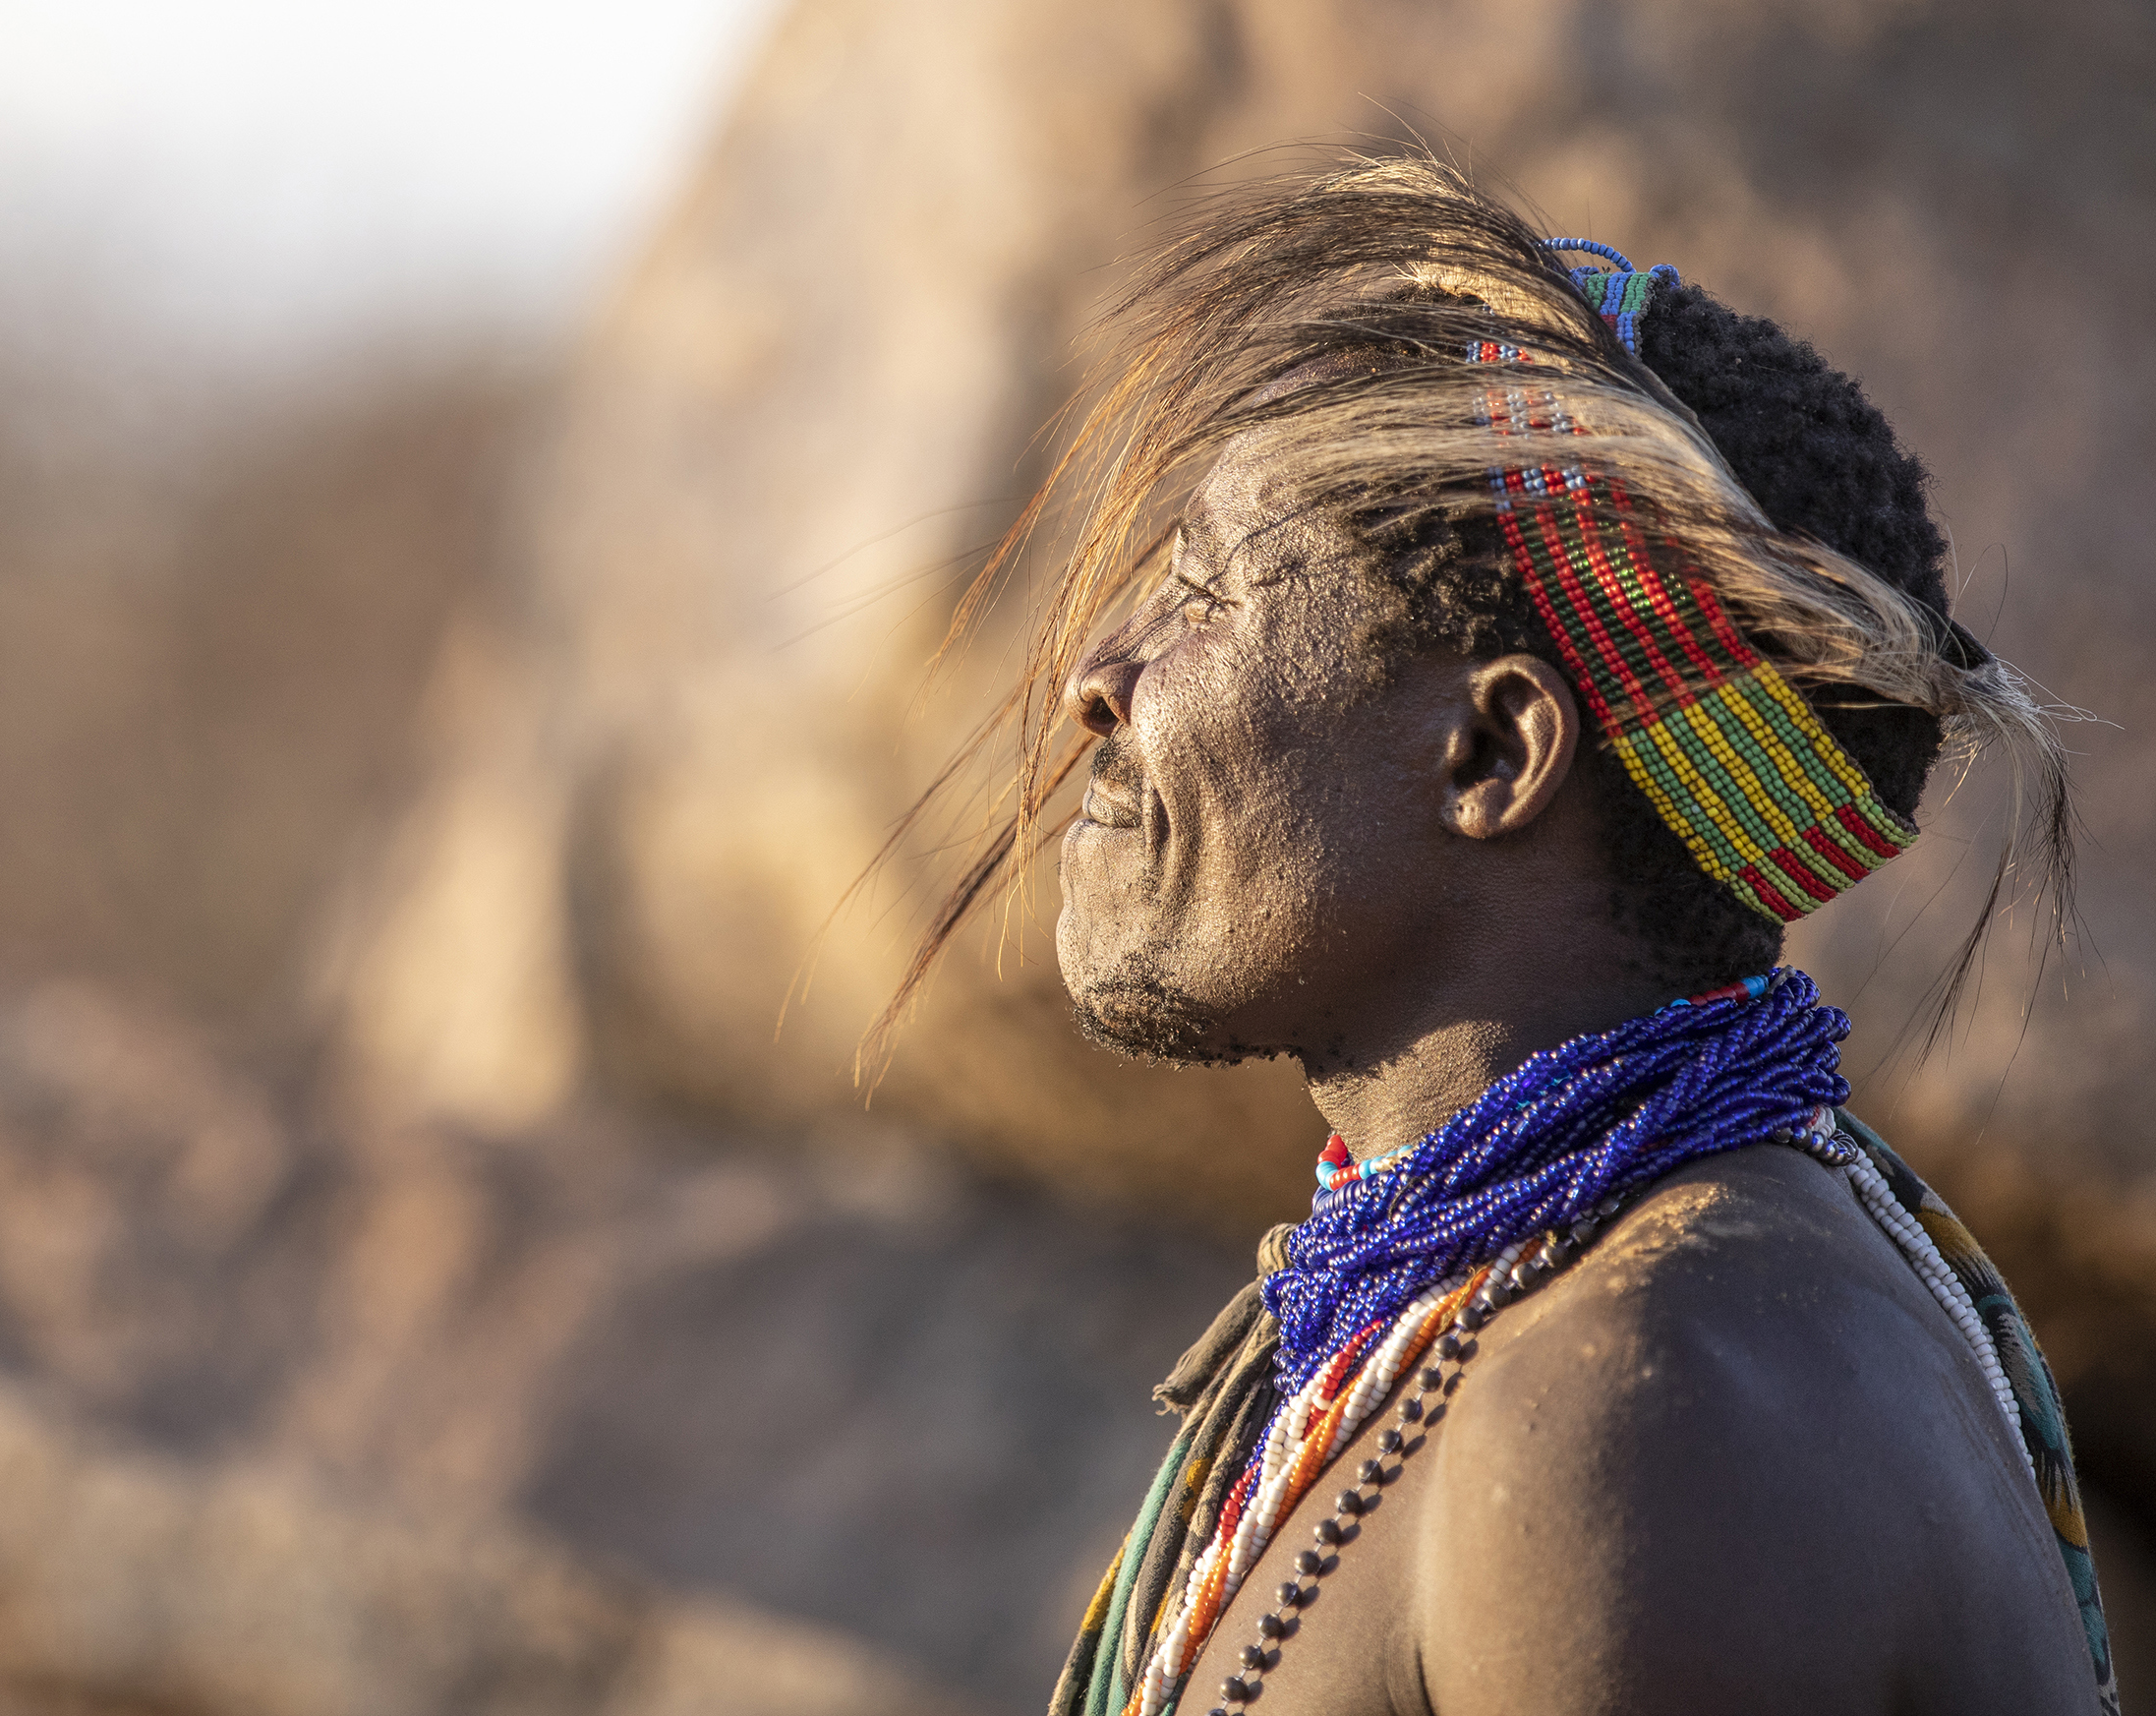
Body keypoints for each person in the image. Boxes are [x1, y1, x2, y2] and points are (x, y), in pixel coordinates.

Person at [883, 159, 2117, 1714]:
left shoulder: (1641, 1412)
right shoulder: (1593, 1323)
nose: (1099, 673)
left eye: (1201, 588)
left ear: (1489, 758)